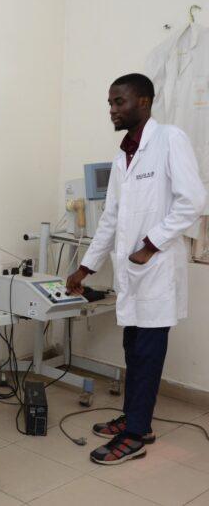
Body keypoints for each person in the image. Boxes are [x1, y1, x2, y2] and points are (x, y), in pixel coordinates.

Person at [66, 73, 207, 465]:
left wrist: (150, 245)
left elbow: (193, 200)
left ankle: (135, 437)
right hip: (134, 274)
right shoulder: (122, 155)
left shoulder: (169, 140)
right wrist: (84, 269)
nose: (112, 110)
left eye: (119, 102)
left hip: (156, 269)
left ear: (143, 102)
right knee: (133, 348)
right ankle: (136, 420)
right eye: (110, 103)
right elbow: (110, 219)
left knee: (146, 352)